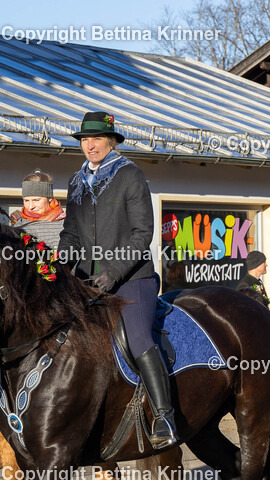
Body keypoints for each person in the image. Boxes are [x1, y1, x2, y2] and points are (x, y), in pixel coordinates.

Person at [58, 111, 177, 449]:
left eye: (95, 139)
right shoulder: (76, 181)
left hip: (130, 278)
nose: (89, 144)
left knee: (138, 340)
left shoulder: (130, 175)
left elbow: (143, 234)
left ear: (111, 141)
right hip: (86, 280)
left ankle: (164, 416)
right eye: (84, 139)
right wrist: (58, 265)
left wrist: (112, 272)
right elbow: (70, 235)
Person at [9, 170, 65, 245]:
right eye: (26, 200)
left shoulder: (66, 226)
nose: (30, 206)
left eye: (36, 200)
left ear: (49, 198)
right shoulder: (17, 227)